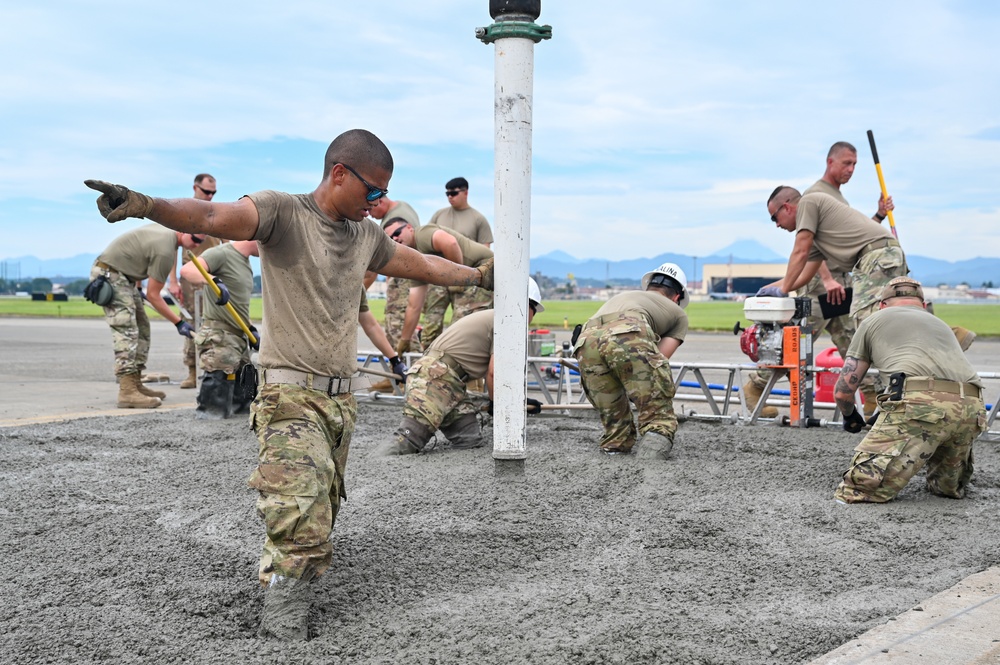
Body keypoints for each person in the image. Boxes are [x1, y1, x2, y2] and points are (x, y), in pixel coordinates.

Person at [84, 128, 494, 642]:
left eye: (382, 194)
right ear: (339, 173)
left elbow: (424, 265)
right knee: (296, 503)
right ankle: (284, 602)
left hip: (340, 401)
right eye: (371, 191)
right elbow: (210, 217)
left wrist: (478, 277)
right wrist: (144, 204)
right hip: (289, 392)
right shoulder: (283, 212)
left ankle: (301, 569)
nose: (378, 203)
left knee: (323, 500)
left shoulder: (366, 237)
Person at [744, 142, 892, 418]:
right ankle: (755, 388)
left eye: (854, 165)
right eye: (846, 163)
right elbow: (811, 249)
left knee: (854, 341)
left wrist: (880, 215)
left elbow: (845, 238)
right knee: (794, 342)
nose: (850, 170)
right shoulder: (816, 195)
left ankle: (872, 398)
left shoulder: (833, 197)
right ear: (830, 162)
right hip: (821, 290)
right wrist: (820, 281)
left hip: (839, 286)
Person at [832, 277, 986, 503]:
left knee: (858, 491)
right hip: (972, 408)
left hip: (921, 406)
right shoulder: (940, 325)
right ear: (923, 305)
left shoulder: (874, 320)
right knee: (945, 491)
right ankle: (947, 484)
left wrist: (849, 416)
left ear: (882, 304)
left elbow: (843, 391)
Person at [377, 278, 544, 456]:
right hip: (434, 378)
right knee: (407, 440)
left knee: (469, 439)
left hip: (449, 382)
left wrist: (517, 402)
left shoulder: (498, 318)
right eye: (534, 310)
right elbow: (495, 373)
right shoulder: (508, 323)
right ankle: (377, 462)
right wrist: (500, 406)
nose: (532, 318)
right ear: (527, 306)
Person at [573, 263, 689, 459]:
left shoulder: (624, 296)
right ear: (677, 296)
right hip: (629, 332)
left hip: (586, 341)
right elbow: (658, 359)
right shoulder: (678, 313)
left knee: (616, 427)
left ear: (649, 287)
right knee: (657, 418)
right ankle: (649, 468)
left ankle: (614, 451)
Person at [90, 226, 203, 408]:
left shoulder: (168, 239)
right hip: (111, 276)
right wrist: (179, 322)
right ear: (183, 231)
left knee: (142, 328)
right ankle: (127, 392)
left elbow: (137, 256)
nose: (196, 244)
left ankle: (135, 383)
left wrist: (138, 288)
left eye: (200, 242)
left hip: (125, 278)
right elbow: (154, 295)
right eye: (195, 240)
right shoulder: (166, 249)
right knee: (127, 331)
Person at [763, 185, 908, 326]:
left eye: (774, 218)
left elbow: (800, 252)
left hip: (877, 257)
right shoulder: (816, 234)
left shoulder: (807, 202)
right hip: (882, 257)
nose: (777, 225)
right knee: (881, 321)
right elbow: (804, 276)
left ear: (786, 207)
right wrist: (766, 290)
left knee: (867, 322)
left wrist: (782, 291)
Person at [382, 220, 494, 358]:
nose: (395, 238)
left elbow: (450, 243)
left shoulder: (422, 234)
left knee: (462, 330)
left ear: (410, 228)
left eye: (397, 233)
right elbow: (414, 306)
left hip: (483, 270)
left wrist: (457, 279)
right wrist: (405, 340)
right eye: (390, 238)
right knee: (431, 324)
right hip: (464, 276)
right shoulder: (415, 259)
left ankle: (469, 375)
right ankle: (433, 364)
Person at [179, 239, 259, 419]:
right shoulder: (221, 253)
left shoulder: (245, 263)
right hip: (220, 335)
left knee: (245, 399)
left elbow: (239, 304)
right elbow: (187, 270)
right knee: (214, 409)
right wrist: (213, 280)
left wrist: (250, 328)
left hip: (239, 337)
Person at [421, 177, 494, 347]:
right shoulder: (439, 215)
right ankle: (427, 361)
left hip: (466, 281)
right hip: (439, 277)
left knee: (460, 325)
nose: (450, 197)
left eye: (454, 193)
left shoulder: (478, 219)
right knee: (431, 323)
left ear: (465, 192)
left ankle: (454, 358)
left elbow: (485, 253)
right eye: (447, 193)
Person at [363, 195, 422, 392]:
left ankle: (413, 380)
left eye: (371, 209)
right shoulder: (402, 210)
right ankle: (395, 378)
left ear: (380, 201)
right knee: (393, 325)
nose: (370, 214)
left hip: (404, 275)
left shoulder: (391, 222)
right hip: (405, 272)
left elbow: (375, 266)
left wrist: (360, 289)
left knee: (399, 326)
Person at [175, 174, 225, 390]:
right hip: (190, 274)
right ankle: (192, 371)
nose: (210, 196)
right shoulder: (184, 212)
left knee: (216, 322)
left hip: (214, 274)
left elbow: (228, 244)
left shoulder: (219, 212)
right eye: (206, 192)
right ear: (195, 188)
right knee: (193, 322)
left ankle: (214, 370)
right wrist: (172, 282)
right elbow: (173, 246)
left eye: (214, 192)